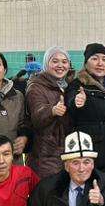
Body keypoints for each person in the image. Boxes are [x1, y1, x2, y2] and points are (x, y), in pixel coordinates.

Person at [65, 43, 105, 188]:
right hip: (96, 151)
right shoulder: (77, 85)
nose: (100, 63)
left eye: (104, 59)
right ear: (86, 63)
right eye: (95, 58)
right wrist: (76, 102)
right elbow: (70, 104)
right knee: (100, 189)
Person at [25, 47, 73, 178]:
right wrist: (52, 110)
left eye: (64, 61)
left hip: (67, 152)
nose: (60, 65)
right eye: (55, 61)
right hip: (45, 155)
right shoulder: (36, 86)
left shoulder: (68, 86)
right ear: (46, 63)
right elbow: (36, 115)